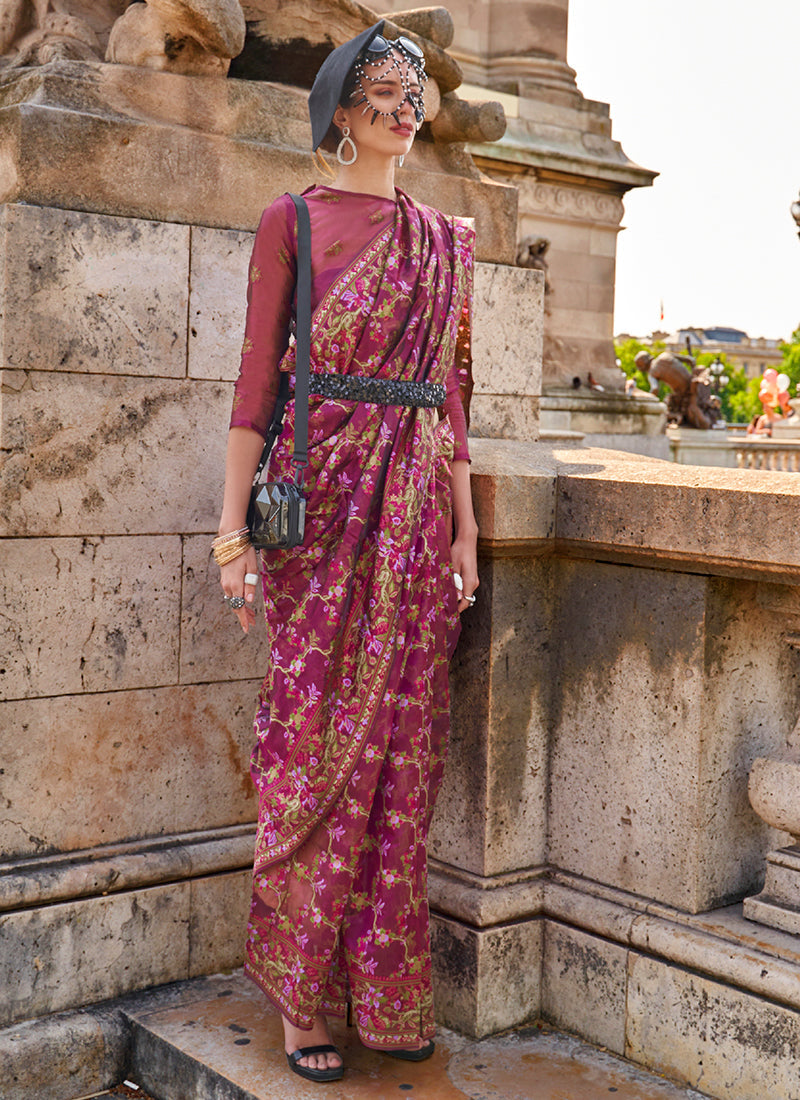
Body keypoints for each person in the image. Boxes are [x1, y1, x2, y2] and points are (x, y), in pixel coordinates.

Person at [214, 21, 479, 1085]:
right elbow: (252, 387)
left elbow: (452, 398)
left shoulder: (445, 238)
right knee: (312, 747)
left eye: (411, 92)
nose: (401, 108)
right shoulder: (292, 220)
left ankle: (385, 987)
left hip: (416, 511)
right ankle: (301, 993)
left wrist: (466, 525)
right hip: (318, 508)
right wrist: (230, 531)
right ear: (337, 107)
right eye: (378, 89)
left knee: (404, 760)